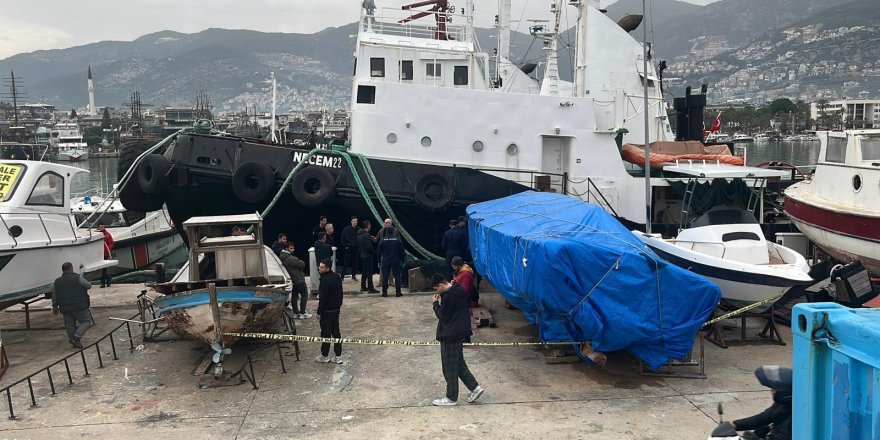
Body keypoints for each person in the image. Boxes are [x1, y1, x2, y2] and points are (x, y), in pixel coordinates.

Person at [429, 274, 484, 406]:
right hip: (460, 332)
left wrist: (435, 304)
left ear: (441, 285)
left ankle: (451, 397)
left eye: (437, 289)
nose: (437, 292)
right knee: (458, 364)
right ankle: (475, 388)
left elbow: (443, 316)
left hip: (451, 334)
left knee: (449, 367)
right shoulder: (459, 290)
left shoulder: (449, 296)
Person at [712, 366, 792, 440]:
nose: (772, 391)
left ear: (786, 392)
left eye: (776, 388)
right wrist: (734, 424)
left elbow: (781, 437)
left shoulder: (793, 419)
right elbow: (763, 418)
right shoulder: (784, 404)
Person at [52, 262, 94, 349]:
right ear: (71, 268)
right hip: (79, 305)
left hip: (65, 307)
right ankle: (76, 336)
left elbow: (54, 295)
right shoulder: (78, 278)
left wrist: (55, 306)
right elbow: (88, 286)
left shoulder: (57, 281)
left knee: (70, 325)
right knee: (86, 322)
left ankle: (74, 341)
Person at [315, 259, 344, 364]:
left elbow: (323, 299)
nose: (319, 268)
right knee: (336, 332)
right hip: (336, 309)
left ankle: (324, 355)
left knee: (325, 333)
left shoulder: (325, 281)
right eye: (319, 266)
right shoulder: (336, 277)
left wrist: (319, 312)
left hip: (327, 311)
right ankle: (338, 356)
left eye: (322, 267)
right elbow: (340, 293)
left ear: (327, 268)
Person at [280, 243, 311, 319]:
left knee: (294, 296)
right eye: (291, 248)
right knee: (304, 295)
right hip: (299, 279)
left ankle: (295, 313)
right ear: (286, 248)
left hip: (292, 280)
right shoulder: (291, 258)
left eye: (293, 248)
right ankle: (302, 313)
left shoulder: (281, 258)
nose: (293, 250)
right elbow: (302, 264)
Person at [376, 226, 405, 297]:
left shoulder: (382, 240)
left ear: (386, 232)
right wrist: (402, 261)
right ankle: (398, 292)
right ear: (393, 232)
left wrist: (379, 261)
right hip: (396, 261)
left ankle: (384, 292)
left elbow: (378, 252)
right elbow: (402, 252)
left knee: (385, 277)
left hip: (386, 261)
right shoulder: (398, 240)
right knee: (397, 276)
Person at [357, 219, 379, 293]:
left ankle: (363, 286)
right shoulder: (366, 235)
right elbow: (369, 246)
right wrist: (374, 252)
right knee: (369, 272)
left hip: (362, 254)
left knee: (364, 271)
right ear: (368, 225)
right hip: (368, 255)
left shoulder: (359, 234)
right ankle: (370, 287)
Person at [340, 216, 360, 281]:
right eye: (354, 221)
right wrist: (345, 246)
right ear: (351, 221)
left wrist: (359, 246)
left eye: (356, 221)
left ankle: (353, 276)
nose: (355, 222)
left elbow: (361, 239)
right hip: (349, 247)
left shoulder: (359, 229)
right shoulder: (346, 229)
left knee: (355, 262)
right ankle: (342, 276)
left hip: (356, 248)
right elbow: (342, 238)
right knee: (346, 262)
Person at [97, 223, 114, 288]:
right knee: (101, 269)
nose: (102, 228)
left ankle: (102, 283)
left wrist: (107, 250)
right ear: (98, 228)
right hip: (98, 254)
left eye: (103, 227)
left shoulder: (107, 235)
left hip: (105, 254)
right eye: (100, 227)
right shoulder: (96, 234)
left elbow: (111, 243)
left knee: (103, 269)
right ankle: (108, 277)